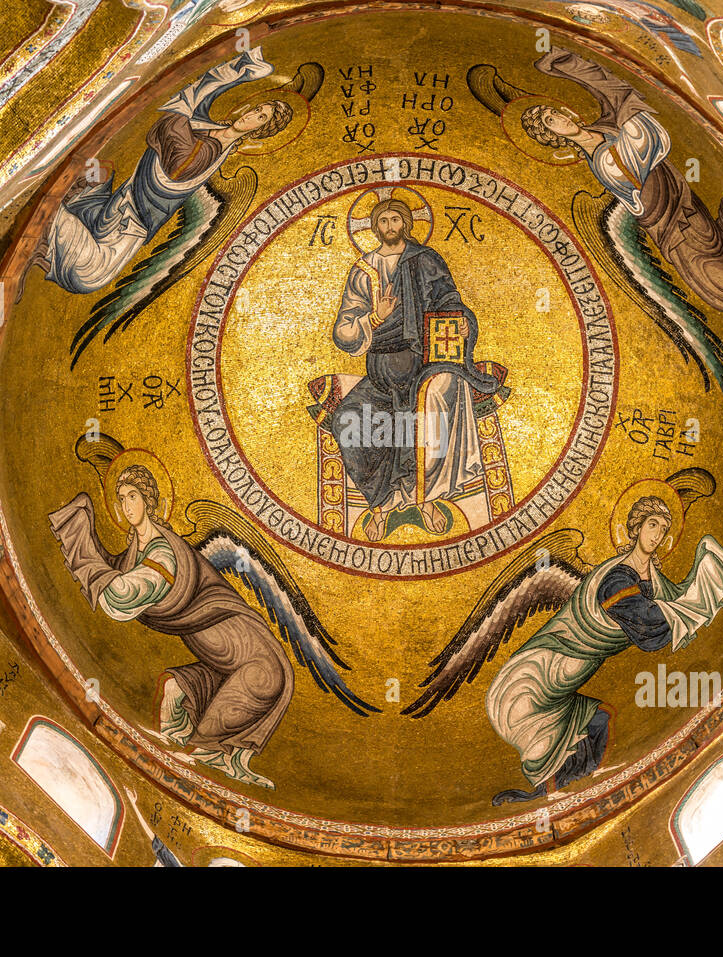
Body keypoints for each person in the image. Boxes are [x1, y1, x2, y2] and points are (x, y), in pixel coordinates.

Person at [486, 495, 723, 804]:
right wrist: (701, 590)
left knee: (599, 720)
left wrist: (705, 565)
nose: (657, 535)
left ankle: (564, 792)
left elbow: (675, 602)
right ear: (634, 529)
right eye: (652, 525)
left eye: (663, 529)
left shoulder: (655, 580)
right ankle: (550, 794)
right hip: (540, 674)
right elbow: (652, 630)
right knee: (546, 731)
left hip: (567, 681)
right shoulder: (616, 578)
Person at [49, 464, 292, 790]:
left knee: (254, 689)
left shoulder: (164, 552)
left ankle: (203, 752)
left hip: (252, 659)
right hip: (222, 663)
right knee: (173, 694)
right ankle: (191, 756)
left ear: (148, 501)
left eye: (132, 496)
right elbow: (114, 575)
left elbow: (118, 597)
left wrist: (82, 546)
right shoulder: (136, 552)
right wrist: (81, 527)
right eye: (121, 499)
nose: (126, 506)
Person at [520, 47, 723, 313]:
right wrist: (623, 112)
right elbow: (641, 137)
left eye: (554, 112)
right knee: (722, 288)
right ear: (553, 135)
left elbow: (615, 96)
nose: (558, 118)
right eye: (549, 121)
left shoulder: (605, 128)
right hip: (670, 228)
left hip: (685, 208)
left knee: (722, 271)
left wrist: (569, 66)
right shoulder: (603, 162)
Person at [35, 48, 291, 294]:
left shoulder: (214, 151)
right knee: (88, 275)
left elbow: (178, 167)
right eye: (257, 109)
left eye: (261, 118)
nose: (251, 115)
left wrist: (179, 121)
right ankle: (53, 213)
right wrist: (242, 71)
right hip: (121, 204)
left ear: (260, 130)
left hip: (136, 221)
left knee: (88, 278)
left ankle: (56, 216)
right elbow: (201, 92)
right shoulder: (204, 126)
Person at [330, 197, 502, 540]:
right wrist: (375, 316)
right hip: (381, 371)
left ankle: (425, 498)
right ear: (375, 227)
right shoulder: (363, 271)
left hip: (424, 363)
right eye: (383, 221)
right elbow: (343, 330)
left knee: (426, 414)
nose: (390, 227)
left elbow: (450, 302)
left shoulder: (426, 260)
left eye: (396, 219)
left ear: (406, 224)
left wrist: (463, 323)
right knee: (347, 418)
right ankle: (379, 503)